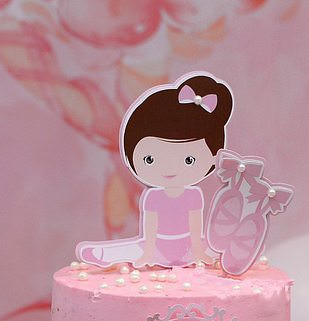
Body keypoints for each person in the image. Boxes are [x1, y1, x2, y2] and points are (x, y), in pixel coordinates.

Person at [76, 72, 232, 268]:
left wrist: (198, 251)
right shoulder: (153, 197)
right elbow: (150, 229)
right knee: (134, 250)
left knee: (217, 248)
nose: (170, 169)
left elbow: (195, 226)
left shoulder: (193, 195)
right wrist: (148, 253)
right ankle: (103, 255)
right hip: (158, 247)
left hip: (186, 248)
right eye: (149, 159)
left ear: (212, 157)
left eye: (189, 160)